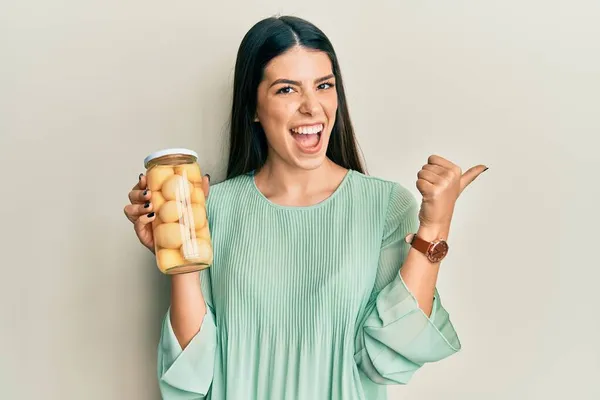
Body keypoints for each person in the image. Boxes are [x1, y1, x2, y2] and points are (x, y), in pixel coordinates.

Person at [124, 15, 487, 400]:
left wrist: (436, 225)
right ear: (253, 108)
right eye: (286, 90)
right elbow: (190, 380)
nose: (312, 107)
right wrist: (178, 255)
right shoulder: (213, 208)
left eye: (324, 86)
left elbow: (385, 360)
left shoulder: (384, 206)